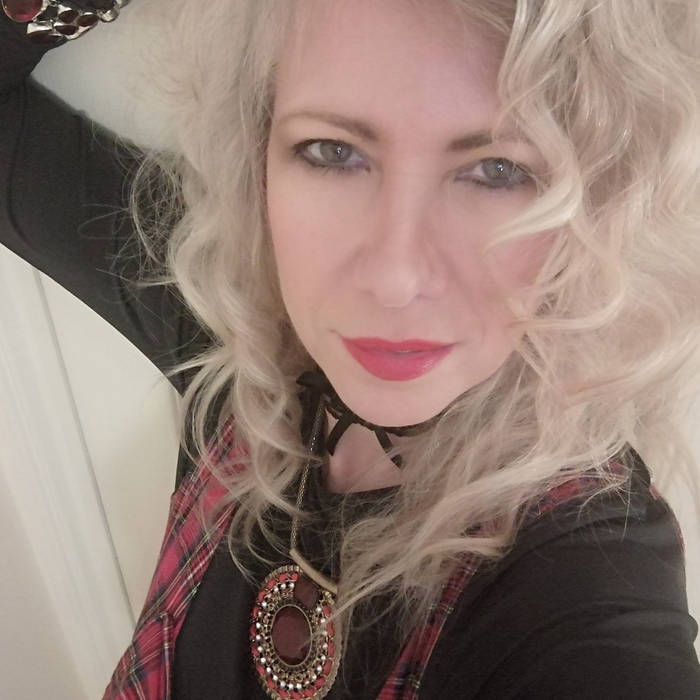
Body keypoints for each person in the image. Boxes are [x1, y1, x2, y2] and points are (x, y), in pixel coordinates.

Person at [2, 0, 700, 698]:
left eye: (497, 170)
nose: (395, 280)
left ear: (596, 197)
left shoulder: (585, 563)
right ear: (259, 159)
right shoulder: (227, 325)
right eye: (333, 153)